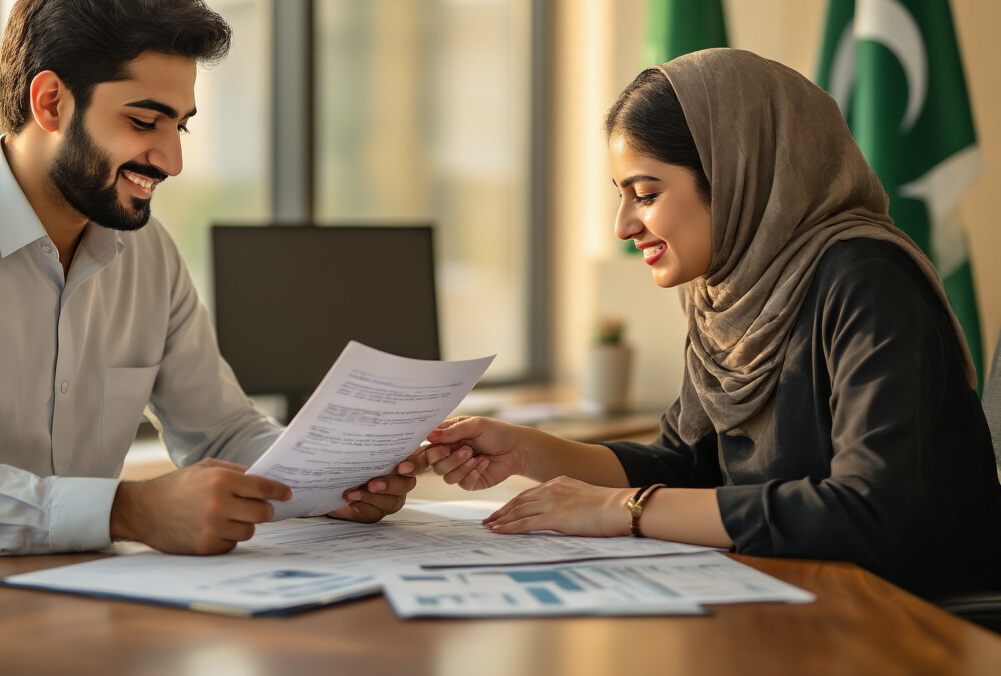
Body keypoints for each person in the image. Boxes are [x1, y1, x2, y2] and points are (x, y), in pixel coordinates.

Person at [0, 0, 419, 564]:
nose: (171, 160)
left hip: (55, 594)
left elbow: (224, 434)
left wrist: (333, 482)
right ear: (52, 103)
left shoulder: (149, 255)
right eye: (146, 121)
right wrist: (126, 510)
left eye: (182, 126)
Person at [415, 48, 1001, 599]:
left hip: (905, 618)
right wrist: (526, 451)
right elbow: (688, 463)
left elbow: (872, 511)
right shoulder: (730, 294)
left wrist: (626, 509)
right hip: (788, 598)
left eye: (645, 193)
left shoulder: (869, 279)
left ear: (734, 172)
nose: (623, 226)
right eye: (622, 196)